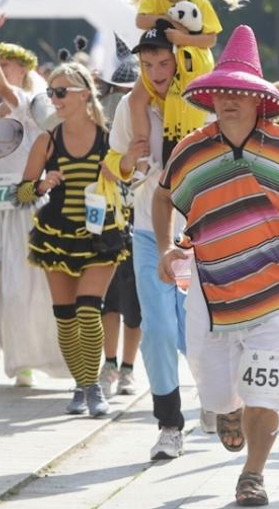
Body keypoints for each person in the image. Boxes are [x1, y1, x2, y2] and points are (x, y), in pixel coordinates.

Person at [154, 25, 279, 506]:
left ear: (258, 100)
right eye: (221, 91)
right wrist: (165, 246)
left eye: (238, 92)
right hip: (210, 288)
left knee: (267, 386)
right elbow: (163, 197)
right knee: (212, 383)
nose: (228, 99)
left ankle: (253, 475)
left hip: (276, 291)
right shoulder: (192, 149)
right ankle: (226, 408)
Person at [103, 26, 202, 459]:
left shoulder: (200, 101)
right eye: (147, 65)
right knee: (158, 330)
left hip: (201, 235)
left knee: (195, 331)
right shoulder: (130, 106)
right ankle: (169, 424)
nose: (157, 72)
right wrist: (127, 160)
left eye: (164, 62)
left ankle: (220, 401)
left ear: (180, 59)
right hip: (148, 233)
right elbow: (111, 167)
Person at [15, 61, 127, 417]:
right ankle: (81, 385)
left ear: (84, 95)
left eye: (61, 93)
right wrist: (41, 185)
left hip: (101, 234)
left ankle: (93, 387)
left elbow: (133, 174)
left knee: (88, 309)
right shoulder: (47, 141)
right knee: (65, 316)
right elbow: (21, 193)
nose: (55, 100)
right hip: (56, 234)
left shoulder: (109, 138)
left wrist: (121, 169)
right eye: (51, 93)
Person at [0, 16, 66, 388]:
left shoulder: (28, 105)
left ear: (23, 69)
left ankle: (23, 360)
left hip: (22, 209)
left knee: (20, 288)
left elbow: (7, 89)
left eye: (5, 65)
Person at [129, 0, 246, 174]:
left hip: (192, 66)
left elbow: (211, 39)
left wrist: (183, 39)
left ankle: (196, 155)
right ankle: (141, 153)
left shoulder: (201, 2)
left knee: (184, 105)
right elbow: (140, 21)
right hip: (163, 62)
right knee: (135, 99)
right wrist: (163, 19)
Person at [96, 42, 143, 400]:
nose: (122, 101)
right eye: (117, 92)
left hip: (140, 226)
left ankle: (128, 368)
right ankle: (109, 364)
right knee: (108, 303)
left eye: (130, 93)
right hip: (107, 225)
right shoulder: (99, 131)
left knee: (136, 308)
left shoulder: (152, 126)